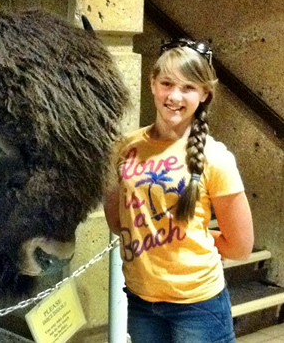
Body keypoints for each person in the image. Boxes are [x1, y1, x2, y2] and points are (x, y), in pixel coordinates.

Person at [104, 38, 254, 343]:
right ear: (152, 84)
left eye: (188, 87)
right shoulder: (124, 148)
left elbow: (240, 246)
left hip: (197, 305)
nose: (174, 96)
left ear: (204, 94)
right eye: (167, 83)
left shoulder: (216, 158)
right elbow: (118, 222)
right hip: (142, 300)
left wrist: (188, 235)